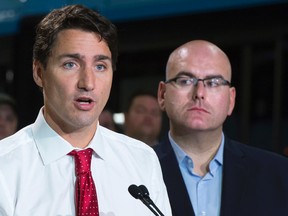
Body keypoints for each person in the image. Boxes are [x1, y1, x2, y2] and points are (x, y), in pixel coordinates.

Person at [0, 5, 172, 216]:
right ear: (39, 72)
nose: (88, 83)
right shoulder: (5, 167)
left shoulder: (142, 159)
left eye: (100, 66)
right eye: (71, 64)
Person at [154, 40, 288, 216]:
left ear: (231, 100)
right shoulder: (132, 170)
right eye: (185, 81)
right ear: (162, 94)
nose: (199, 93)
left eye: (214, 83)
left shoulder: (278, 174)